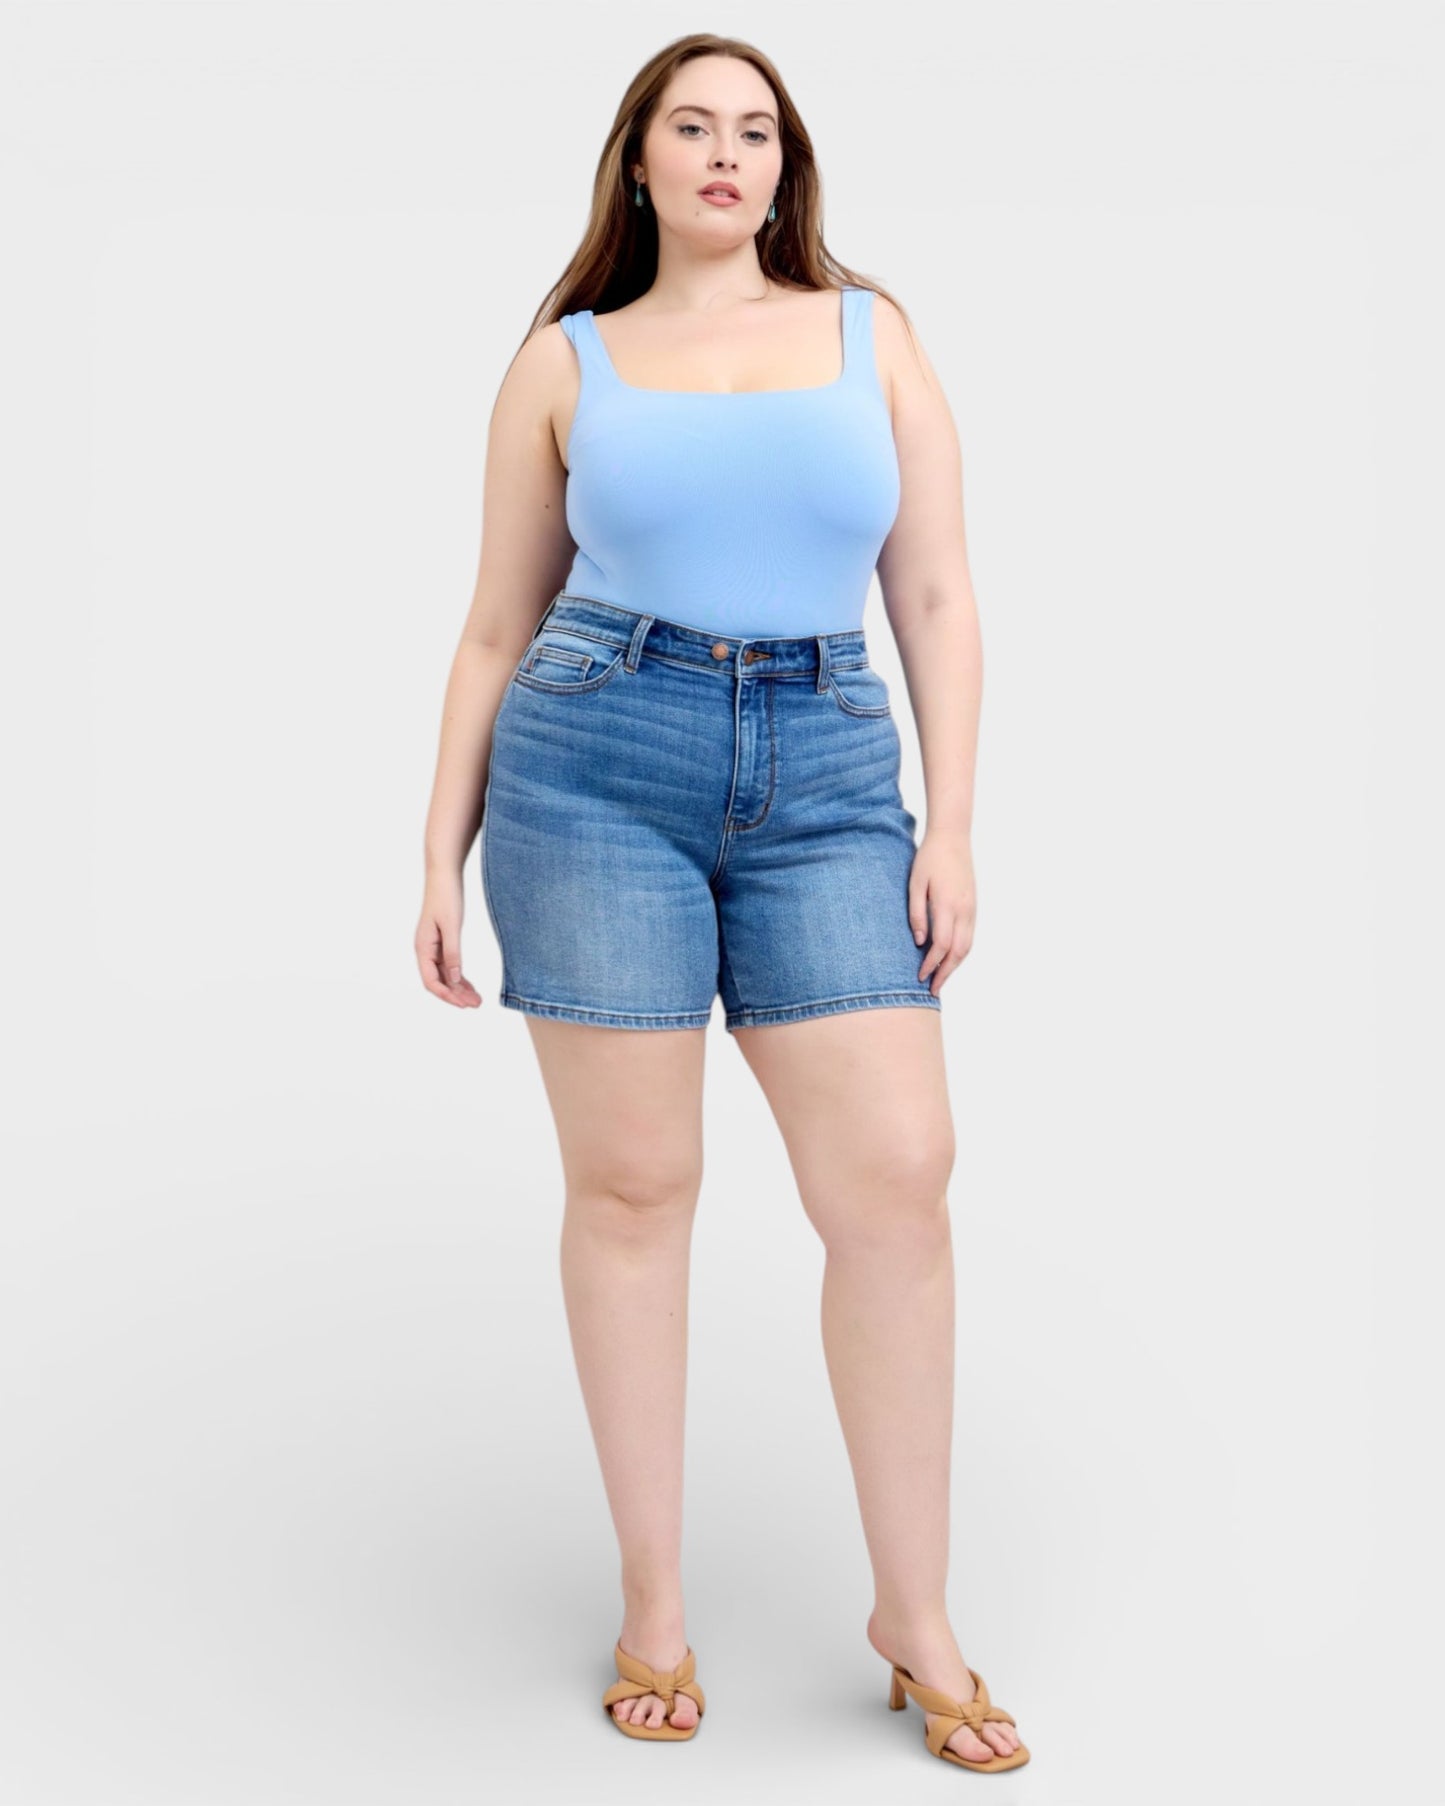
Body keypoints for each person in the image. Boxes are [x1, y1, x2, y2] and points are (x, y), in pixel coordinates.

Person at [415, 31, 1029, 1776]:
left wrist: (953, 823)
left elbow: (936, 588)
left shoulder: (869, 332)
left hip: (829, 772)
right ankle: (655, 1606)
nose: (726, 152)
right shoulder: (566, 361)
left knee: (897, 1176)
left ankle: (912, 1615)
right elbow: (490, 622)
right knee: (634, 1186)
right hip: (592, 756)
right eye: (692, 124)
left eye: (754, 130)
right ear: (637, 161)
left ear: (784, 166)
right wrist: (436, 848)